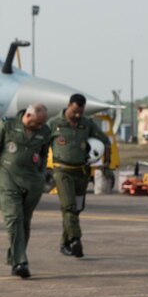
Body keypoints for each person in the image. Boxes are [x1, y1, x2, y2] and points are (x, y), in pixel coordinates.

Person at [0, 104, 52, 279]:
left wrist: (41, 173)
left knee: (24, 222)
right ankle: (20, 262)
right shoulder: (6, 126)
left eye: (43, 123)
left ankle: (14, 256)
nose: (40, 126)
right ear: (28, 115)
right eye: (37, 123)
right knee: (14, 219)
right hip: (8, 179)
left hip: (32, 183)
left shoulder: (44, 132)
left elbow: (44, 153)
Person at [49, 93, 112, 258]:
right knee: (69, 206)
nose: (77, 115)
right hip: (62, 171)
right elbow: (40, 142)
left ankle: (65, 243)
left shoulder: (87, 124)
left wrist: (106, 162)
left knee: (76, 209)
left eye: (80, 112)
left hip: (81, 172)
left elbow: (105, 141)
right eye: (74, 112)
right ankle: (76, 240)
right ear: (69, 106)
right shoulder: (54, 123)